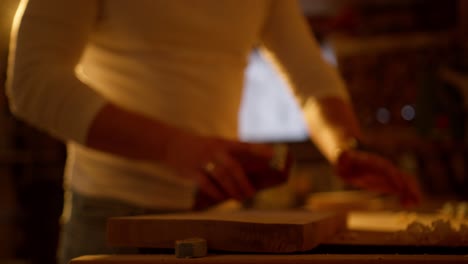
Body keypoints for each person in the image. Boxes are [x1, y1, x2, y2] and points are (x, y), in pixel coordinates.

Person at [6, 0, 422, 263]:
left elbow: (311, 77)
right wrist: (177, 148)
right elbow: (32, 81)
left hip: (219, 225)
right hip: (112, 222)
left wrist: (343, 146)